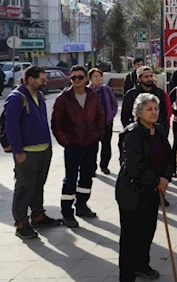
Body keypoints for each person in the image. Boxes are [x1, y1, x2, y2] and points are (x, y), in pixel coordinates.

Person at [116, 93, 175, 282]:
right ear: (138, 112)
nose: (154, 112)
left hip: (152, 190)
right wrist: (156, 180)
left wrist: (166, 177)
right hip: (132, 191)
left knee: (148, 229)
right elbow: (134, 165)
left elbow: (169, 156)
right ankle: (127, 277)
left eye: (156, 109)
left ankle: (143, 265)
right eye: (149, 109)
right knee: (131, 235)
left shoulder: (158, 130)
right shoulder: (131, 134)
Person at [5, 66, 61, 239]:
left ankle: (38, 215)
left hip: (44, 149)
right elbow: (11, 127)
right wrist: (18, 151)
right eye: (42, 79)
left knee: (38, 185)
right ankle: (21, 223)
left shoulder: (39, 96)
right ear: (30, 79)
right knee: (24, 187)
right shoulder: (16, 98)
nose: (45, 82)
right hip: (27, 153)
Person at [51, 66, 106, 227]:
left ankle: (82, 205)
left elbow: (100, 117)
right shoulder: (64, 98)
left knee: (87, 175)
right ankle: (67, 213)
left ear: (85, 79)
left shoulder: (93, 96)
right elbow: (56, 122)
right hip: (72, 145)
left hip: (90, 144)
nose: (77, 80)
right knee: (71, 178)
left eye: (80, 77)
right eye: (73, 77)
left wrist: (98, 135)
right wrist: (65, 141)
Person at [88, 68, 118, 175]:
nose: (97, 78)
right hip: (92, 124)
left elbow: (114, 104)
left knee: (106, 145)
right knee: (92, 147)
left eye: (99, 76)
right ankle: (92, 168)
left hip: (106, 122)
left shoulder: (106, 89)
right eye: (95, 76)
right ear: (90, 78)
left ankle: (104, 166)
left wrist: (111, 115)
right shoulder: (86, 90)